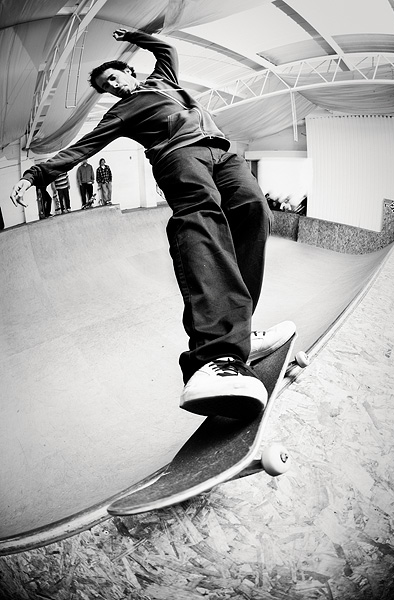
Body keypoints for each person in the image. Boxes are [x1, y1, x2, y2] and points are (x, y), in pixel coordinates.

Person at [10, 28, 295, 420]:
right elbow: (84, 147)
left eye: (114, 77)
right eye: (107, 86)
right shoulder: (120, 113)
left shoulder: (164, 80)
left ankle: (239, 330)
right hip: (179, 158)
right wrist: (36, 174)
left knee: (254, 211)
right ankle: (217, 353)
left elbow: (166, 48)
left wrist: (135, 34)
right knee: (202, 218)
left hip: (223, 153)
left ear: (128, 71)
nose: (113, 86)